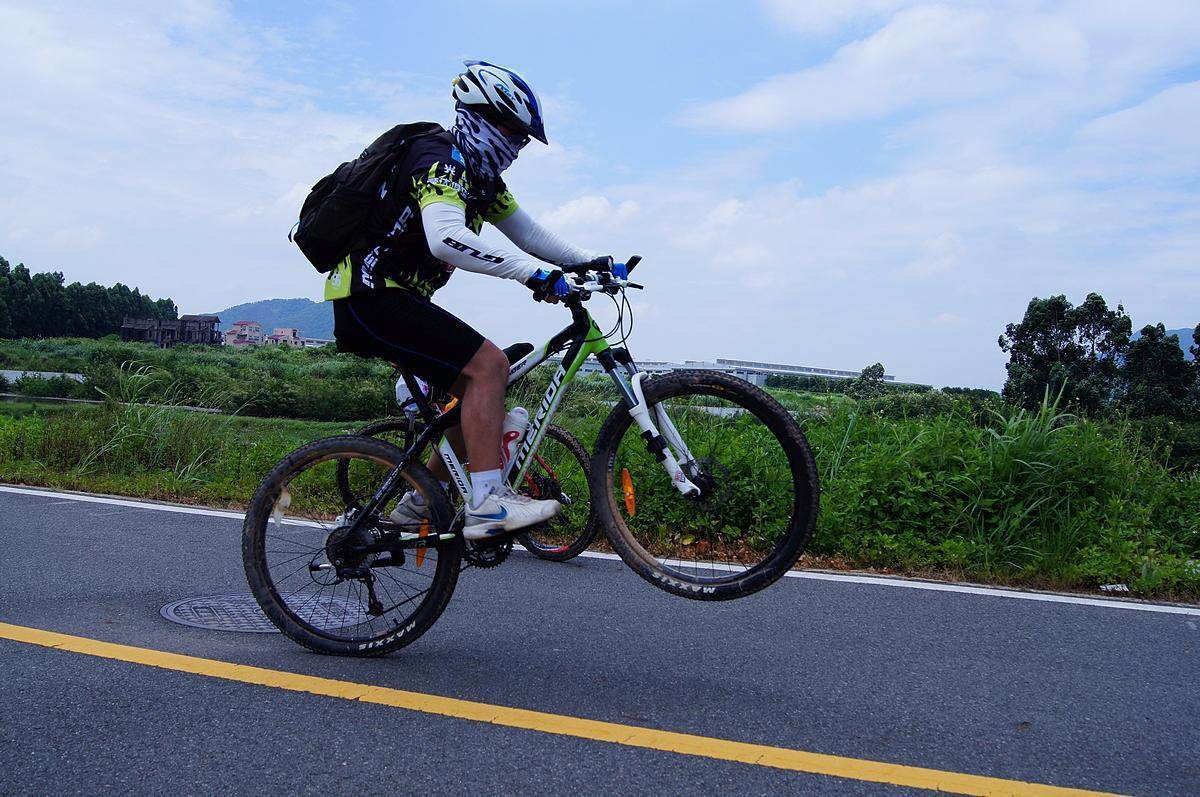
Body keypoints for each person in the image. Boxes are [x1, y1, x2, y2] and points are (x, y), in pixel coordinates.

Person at [326, 60, 608, 540]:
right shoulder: (439, 160)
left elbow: (529, 234)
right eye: (513, 133)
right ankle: (488, 504)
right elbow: (446, 239)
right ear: (480, 119)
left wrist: (594, 262)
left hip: (394, 299)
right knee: (490, 367)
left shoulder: (481, 180)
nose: (516, 147)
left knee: (470, 398)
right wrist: (532, 274)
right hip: (369, 295)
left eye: (523, 140)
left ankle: (417, 504)